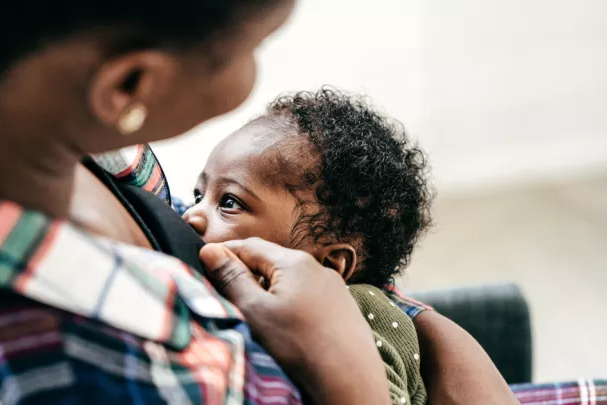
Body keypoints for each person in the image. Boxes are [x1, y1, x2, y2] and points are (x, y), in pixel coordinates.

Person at [0, 1, 395, 404]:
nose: (195, 213)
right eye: (254, 47)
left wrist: (417, 322)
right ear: (129, 84)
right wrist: (354, 384)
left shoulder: (42, 126)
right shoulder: (119, 373)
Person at [183, 88, 432, 405]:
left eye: (229, 202)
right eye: (198, 195)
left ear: (327, 266)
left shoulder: (360, 317)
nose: (191, 215)